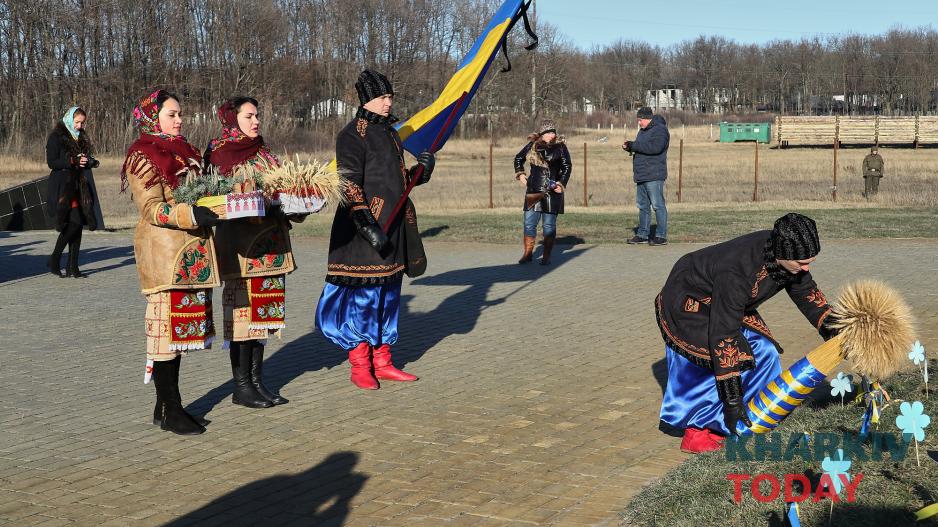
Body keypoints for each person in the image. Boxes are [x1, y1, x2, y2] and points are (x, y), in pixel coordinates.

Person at [655, 213, 837, 453]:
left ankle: (755, 414)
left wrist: (836, 332)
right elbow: (723, 335)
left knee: (766, 351)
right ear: (782, 254)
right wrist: (732, 402)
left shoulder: (787, 256)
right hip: (689, 301)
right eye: (802, 263)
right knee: (724, 360)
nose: (806, 268)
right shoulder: (737, 272)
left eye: (810, 261)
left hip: (725, 300)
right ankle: (701, 430)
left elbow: (807, 293)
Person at [315, 69, 435, 390]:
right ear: (367, 99)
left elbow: (396, 183)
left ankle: (383, 361)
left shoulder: (392, 134)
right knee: (364, 299)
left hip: (394, 228)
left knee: (389, 295)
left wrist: (420, 173)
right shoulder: (352, 134)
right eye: (382, 97)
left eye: (390, 96)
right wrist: (367, 224)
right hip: (361, 229)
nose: (388, 102)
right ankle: (359, 364)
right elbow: (350, 184)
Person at [121, 89, 222, 435]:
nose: (179, 120)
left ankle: (165, 408)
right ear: (153, 117)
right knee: (165, 336)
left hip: (190, 254)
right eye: (172, 114)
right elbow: (151, 209)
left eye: (180, 114)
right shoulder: (143, 155)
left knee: (179, 335)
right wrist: (192, 212)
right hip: (164, 256)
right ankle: (172, 409)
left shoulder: (187, 153)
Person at [205, 96, 300, 408]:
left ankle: (258, 381)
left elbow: (281, 188)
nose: (256, 121)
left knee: (262, 321)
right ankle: (241, 386)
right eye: (249, 116)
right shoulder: (220, 152)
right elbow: (215, 196)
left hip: (269, 248)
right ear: (233, 119)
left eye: (257, 116)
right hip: (241, 250)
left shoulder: (263, 151)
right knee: (242, 321)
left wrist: (297, 204)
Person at [46, 106, 99, 277]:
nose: (80, 126)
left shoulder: (80, 137)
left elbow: (81, 160)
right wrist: (72, 160)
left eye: (82, 123)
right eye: (77, 122)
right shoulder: (56, 137)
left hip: (79, 186)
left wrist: (89, 162)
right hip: (63, 185)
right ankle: (55, 259)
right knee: (74, 224)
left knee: (77, 226)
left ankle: (72, 266)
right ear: (69, 119)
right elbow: (52, 162)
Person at [513, 119, 571, 265]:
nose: (551, 135)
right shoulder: (533, 145)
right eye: (548, 133)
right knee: (528, 223)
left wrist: (561, 183)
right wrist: (521, 174)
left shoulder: (561, 147)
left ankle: (546, 256)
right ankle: (527, 253)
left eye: (553, 132)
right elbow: (518, 158)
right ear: (542, 134)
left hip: (552, 190)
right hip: (533, 189)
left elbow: (567, 166)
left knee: (549, 225)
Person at [623, 107, 669, 246]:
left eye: (640, 120)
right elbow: (642, 147)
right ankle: (642, 234)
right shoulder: (642, 132)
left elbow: (655, 147)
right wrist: (630, 147)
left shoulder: (660, 130)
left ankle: (661, 235)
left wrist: (634, 145)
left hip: (654, 174)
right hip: (642, 174)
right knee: (642, 205)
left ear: (647, 118)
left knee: (657, 205)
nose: (639, 123)